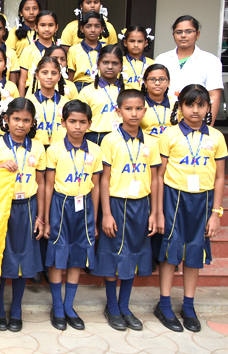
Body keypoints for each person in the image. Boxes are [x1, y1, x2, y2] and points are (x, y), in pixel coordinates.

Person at [155, 84, 227, 333]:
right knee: (170, 251)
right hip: (174, 198)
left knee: (195, 252)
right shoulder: (170, 135)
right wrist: (159, 211)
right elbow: (159, 175)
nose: (195, 110)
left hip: (203, 200)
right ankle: (164, 303)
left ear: (208, 108)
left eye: (201, 105)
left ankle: (188, 305)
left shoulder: (216, 137)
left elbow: (220, 177)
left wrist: (216, 213)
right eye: (189, 104)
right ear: (180, 107)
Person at [94, 89, 161, 331]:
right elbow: (104, 179)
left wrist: (155, 212)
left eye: (138, 108)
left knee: (132, 254)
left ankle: (125, 306)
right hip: (116, 203)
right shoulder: (110, 140)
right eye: (128, 109)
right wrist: (106, 214)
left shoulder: (152, 142)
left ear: (145, 110)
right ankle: (112, 306)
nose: (134, 113)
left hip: (141, 205)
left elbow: (155, 179)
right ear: (118, 111)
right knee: (113, 255)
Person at [45, 100, 102, 331]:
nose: (77, 126)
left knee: (78, 254)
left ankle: (69, 306)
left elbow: (96, 187)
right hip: (60, 205)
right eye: (72, 121)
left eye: (82, 122)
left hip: (84, 205)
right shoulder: (54, 150)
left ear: (89, 124)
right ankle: (57, 306)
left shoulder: (95, 150)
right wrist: (46, 218)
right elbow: (48, 186)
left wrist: (94, 220)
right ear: (63, 123)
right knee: (58, 254)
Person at [0, 98, 46, 332]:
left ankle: (16, 310)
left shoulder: (38, 147)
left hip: (28, 207)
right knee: (2, 258)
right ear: (6, 119)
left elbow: (42, 183)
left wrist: (41, 216)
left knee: (23, 259)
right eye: (16, 119)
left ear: (32, 122)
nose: (20, 124)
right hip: (3, 207)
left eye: (26, 120)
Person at [154, 16, 223, 124]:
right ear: (173, 35)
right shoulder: (162, 59)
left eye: (189, 31)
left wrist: (209, 127)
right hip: (163, 117)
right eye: (178, 32)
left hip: (196, 118)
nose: (183, 35)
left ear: (197, 34)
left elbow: (214, 96)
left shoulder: (211, 61)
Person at [77, 45, 125, 145]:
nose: (110, 67)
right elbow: (79, 119)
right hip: (94, 138)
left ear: (121, 66)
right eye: (105, 62)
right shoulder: (87, 91)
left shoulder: (128, 92)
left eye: (115, 63)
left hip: (122, 137)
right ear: (98, 64)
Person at [27, 57, 68, 148]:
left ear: (59, 76)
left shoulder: (66, 103)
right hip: (35, 149)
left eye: (54, 73)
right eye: (45, 72)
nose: (49, 76)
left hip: (60, 149)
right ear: (37, 75)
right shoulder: (29, 102)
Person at [18, 10, 59, 96]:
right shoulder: (28, 50)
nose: (47, 29)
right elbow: (22, 80)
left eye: (51, 25)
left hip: (55, 94)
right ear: (36, 28)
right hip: (32, 94)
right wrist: (22, 101)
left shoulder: (58, 52)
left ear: (56, 27)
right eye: (42, 25)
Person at [67, 11, 109, 92]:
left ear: (102, 29)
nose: (93, 30)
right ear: (82, 28)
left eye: (97, 26)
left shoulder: (106, 50)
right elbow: (70, 78)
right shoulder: (74, 50)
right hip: (80, 87)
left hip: (102, 87)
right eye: (88, 26)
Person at [140, 64, 176, 137]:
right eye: (152, 79)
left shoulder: (176, 103)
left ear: (168, 82)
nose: (157, 83)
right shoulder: (138, 104)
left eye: (162, 79)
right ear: (145, 83)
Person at [120, 26, 155, 90]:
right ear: (125, 43)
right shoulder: (119, 62)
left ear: (146, 43)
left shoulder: (152, 63)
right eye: (132, 41)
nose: (136, 45)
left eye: (140, 41)